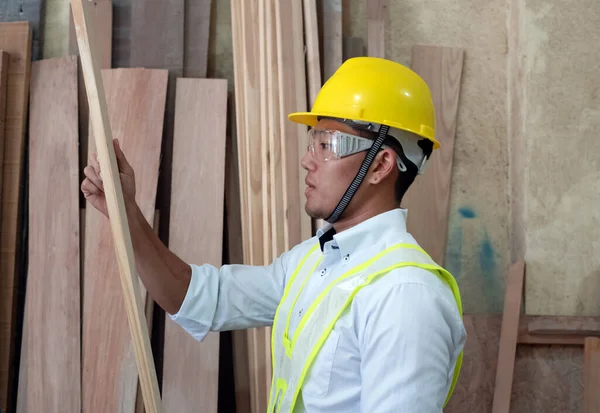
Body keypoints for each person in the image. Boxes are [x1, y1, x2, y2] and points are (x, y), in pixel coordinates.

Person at [82, 57, 467, 413]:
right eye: (311, 140)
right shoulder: (312, 262)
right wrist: (126, 212)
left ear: (381, 165)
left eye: (327, 144)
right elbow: (197, 297)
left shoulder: (404, 295)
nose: (307, 159)